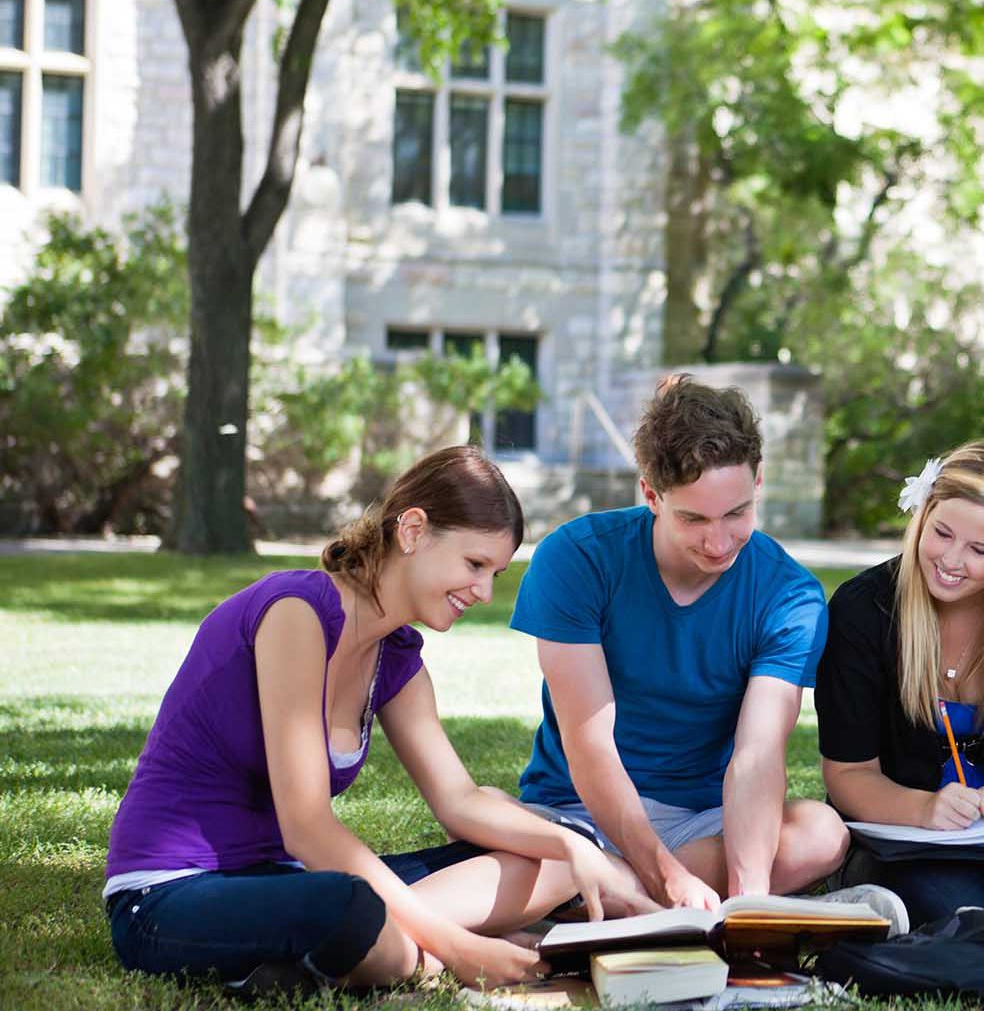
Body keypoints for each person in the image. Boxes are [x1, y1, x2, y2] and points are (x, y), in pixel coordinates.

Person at [103, 446, 642, 995]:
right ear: (412, 530)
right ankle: (416, 953)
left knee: (549, 861)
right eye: (474, 564)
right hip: (171, 893)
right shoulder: (297, 612)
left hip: (285, 884)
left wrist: (573, 846)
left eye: (495, 573)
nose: (483, 592)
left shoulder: (398, 659)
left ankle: (344, 958)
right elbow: (307, 828)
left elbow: (459, 802)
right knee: (350, 906)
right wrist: (460, 949)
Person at [511, 378, 857, 912]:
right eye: (694, 518)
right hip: (581, 809)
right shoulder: (576, 559)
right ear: (651, 494)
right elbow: (591, 749)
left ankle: (595, 898)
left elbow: (757, 756)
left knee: (821, 833)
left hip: (706, 819)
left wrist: (751, 904)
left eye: (736, 514)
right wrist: (665, 873)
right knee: (548, 856)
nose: (718, 543)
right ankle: (613, 891)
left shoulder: (790, 594)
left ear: (758, 482)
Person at [816, 442, 984, 939]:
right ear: (922, 516)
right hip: (911, 837)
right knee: (942, 890)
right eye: (941, 533)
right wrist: (925, 809)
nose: (950, 559)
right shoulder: (865, 610)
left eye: (980, 550)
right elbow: (848, 775)